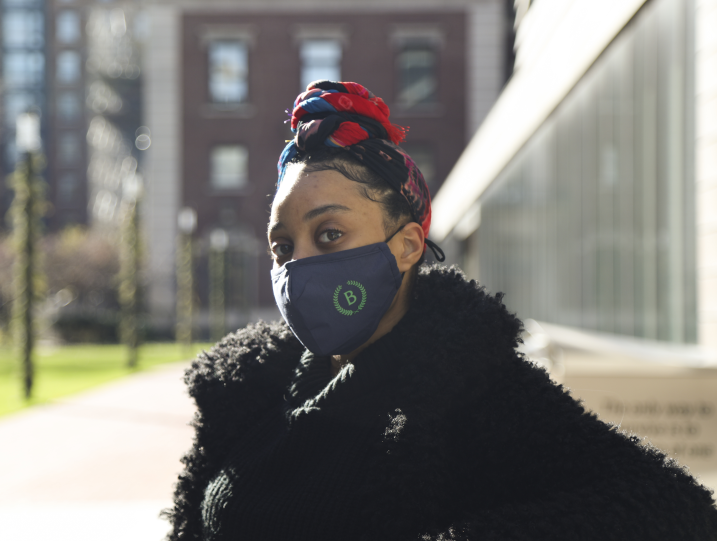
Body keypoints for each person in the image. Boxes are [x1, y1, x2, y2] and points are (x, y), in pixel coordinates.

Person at [165, 81, 717, 541]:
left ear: (406, 246)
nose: (298, 265)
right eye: (283, 246)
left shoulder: (475, 388)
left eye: (329, 234)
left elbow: (675, 512)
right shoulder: (249, 389)